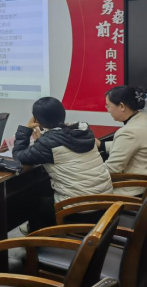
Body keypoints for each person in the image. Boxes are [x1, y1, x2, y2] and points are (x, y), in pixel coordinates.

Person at [13, 97, 113, 232]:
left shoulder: (47, 143)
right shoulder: (83, 131)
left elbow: (19, 157)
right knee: (45, 192)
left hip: (80, 209)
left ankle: (40, 240)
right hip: (105, 202)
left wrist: (26, 129)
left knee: (34, 202)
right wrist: (41, 142)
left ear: (37, 120)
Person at [102, 86, 147, 196]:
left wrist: (84, 171)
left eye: (108, 106)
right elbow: (133, 146)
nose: (108, 110)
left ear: (122, 106)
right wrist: (101, 145)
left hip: (131, 192)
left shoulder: (129, 131)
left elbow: (112, 169)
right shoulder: (143, 118)